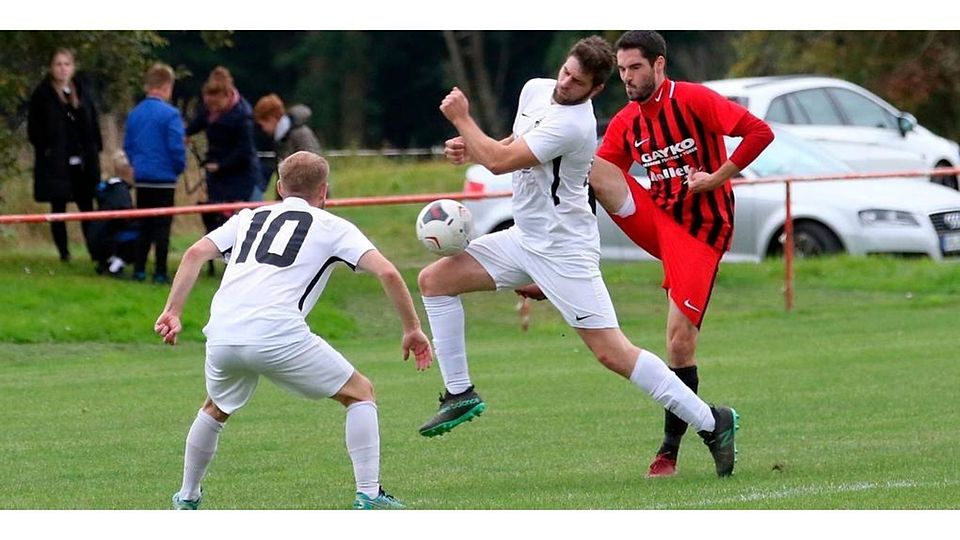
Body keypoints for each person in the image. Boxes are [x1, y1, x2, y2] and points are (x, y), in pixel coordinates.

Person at [417, 35, 740, 478]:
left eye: (576, 82)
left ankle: (712, 421)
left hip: (564, 250)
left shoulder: (576, 125)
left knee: (613, 353)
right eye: (565, 72)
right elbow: (511, 143)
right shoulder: (535, 88)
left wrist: (462, 120)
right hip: (524, 240)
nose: (565, 83)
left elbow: (501, 162)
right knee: (434, 281)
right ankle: (459, 393)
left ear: (594, 90)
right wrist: (468, 144)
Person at [154, 151, 432, 510]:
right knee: (360, 393)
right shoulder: (333, 226)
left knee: (215, 408)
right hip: (277, 333)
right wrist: (412, 328)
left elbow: (194, 253)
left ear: (280, 187)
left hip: (222, 332)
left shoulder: (247, 219)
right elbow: (389, 273)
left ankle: (187, 497)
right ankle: (370, 494)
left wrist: (172, 311)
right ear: (324, 192)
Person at [589, 31, 774, 477]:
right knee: (591, 165)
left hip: (701, 231)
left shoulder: (693, 100)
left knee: (678, 341)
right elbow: (594, 177)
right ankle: (563, 259)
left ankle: (672, 447)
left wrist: (715, 178)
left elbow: (758, 132)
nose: (627, 78)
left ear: (658, 65)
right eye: (621, 70)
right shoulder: (626, 121)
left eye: (634, 68)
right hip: (659, 220)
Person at [27, 47, 103, 263]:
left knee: (87, 207)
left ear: (73, 67)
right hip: (56, 162)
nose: (62, 69)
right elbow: (35, 131)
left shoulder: (82, 91)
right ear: (52, 68)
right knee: (58, 208)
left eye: (66, 64)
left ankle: (94, 252)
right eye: (58, 64)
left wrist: (94, 149)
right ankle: (64, 253)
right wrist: (48, 150)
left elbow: (92, 123)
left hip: (83, 161)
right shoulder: (42, 95)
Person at [124, 63, 187, 284]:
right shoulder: (171, 115)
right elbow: (176, 147)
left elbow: (129, 146)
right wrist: (179, 168)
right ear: (166, 86)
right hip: (164, 180)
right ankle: (160, 271)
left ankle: (139, 269)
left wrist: (137, 166)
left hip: (142, 179)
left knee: (143, 225)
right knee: (162, 228)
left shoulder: (135, 114)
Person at [253, 94, 323, 199]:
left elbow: (316, 169)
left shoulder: (299, 135)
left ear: (271, 119)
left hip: (308, 200)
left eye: (263, 124)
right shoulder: (281, 139)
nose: (263, 129)